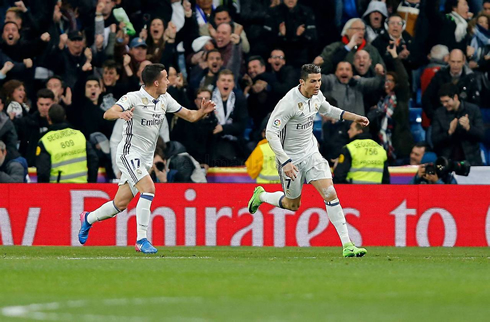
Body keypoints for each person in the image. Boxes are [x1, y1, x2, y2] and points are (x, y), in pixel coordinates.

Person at [78, 63, 216, 254]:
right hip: (128, 153)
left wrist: (202, 112)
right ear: (157, 82)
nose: (169, 81)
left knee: (120, 204)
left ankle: (88, 218)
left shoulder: (164, 99)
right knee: (149, 188)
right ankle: (141, 239)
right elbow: (108, 113)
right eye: (166, 78)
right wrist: (121, 113)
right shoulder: (133, 97)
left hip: (145, 159)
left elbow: (190, 116)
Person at [247, 64, 369, 258]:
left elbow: (328, 109)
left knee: (330, 193)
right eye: (313, 81)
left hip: (311, 153)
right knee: (292, 205)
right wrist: (285, 161)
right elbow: (271, 132)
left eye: (319, 80)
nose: (317, 84)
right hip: (290, 159)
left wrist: (354, 117)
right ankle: (261, 196)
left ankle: (348, 245)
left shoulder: (316, 96)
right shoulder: (288, 102)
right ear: (302, 82)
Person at [36, 104, 98, 183]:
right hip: (81, 188)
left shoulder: (45, 141)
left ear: (48, 118)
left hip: (58, 190)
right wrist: (91, 183)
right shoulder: (79, 135)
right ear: (65, 117)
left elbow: (43, 172)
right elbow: (93, 160)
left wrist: (44, 192)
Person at [432, 83, 484, 165]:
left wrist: (468, 128)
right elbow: (434, 140)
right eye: (442, 102)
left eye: (446, 101)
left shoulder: (473, 110)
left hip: (471, 160)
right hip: (448, 160)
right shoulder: (439, 113)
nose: (444, 105)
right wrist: (449, 132)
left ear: (455, 97)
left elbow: (481, 135)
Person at [245, 115, 280, 183]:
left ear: (264, 133)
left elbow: (252, 171)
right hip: (285, 189)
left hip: (264, 188)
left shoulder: (261, 149)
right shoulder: (289, 148)